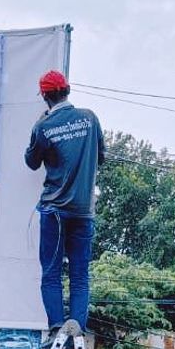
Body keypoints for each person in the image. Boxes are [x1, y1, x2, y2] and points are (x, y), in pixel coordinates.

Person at [24, 69, 105, 334]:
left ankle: (57, 327)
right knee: (80, 277)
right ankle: (77, 329)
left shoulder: (44, 127)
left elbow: (32, 162)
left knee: (51, 273)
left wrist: (38, 126)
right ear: (67, 90)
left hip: (55, 210)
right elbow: (100, 157)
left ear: (46, 95)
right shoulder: (90, 119)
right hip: (84, 211)